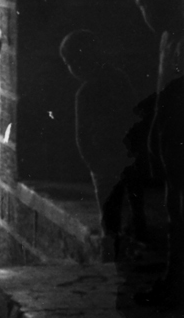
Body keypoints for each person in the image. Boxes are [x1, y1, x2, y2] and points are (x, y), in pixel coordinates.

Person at [133, 0, 184, 307]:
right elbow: (162, 91)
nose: (149, 22)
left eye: (152, 12)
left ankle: (179, 281)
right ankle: (174, 278)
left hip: (183, 135)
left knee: (183, 211)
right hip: (169, 134)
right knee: (174, 208)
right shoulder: (168, 38)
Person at [59, 30, 140, 244]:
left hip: (107, 159)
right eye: (68, 62)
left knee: (110, 206)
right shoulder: (119, 78)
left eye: (73, 61)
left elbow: (82, 135)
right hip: (123, 154)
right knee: (132, 199)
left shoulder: (85, 93)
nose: (72, 68)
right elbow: (134, 114)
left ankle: (112, 245)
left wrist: (93, 162)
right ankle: (133, 234)